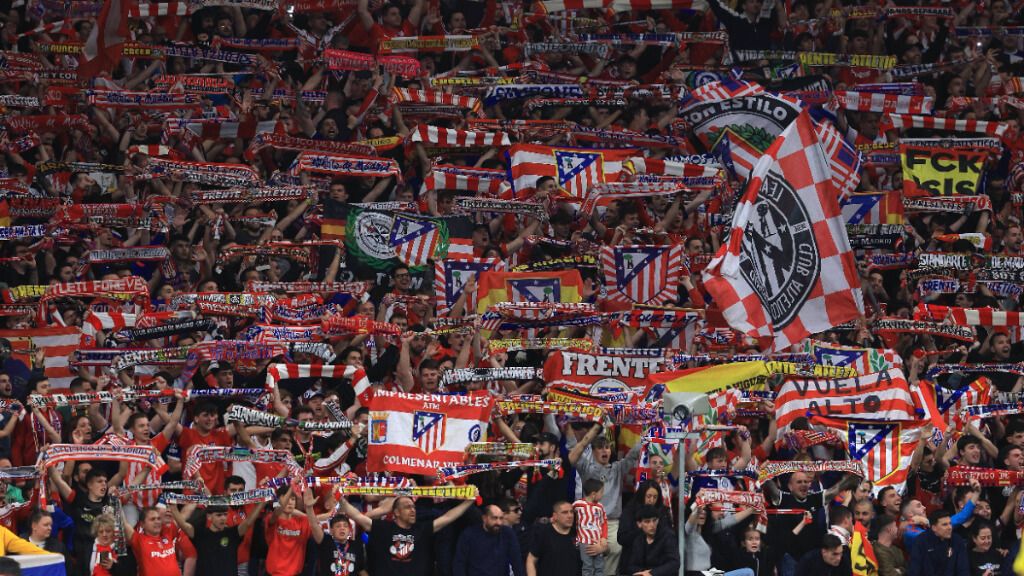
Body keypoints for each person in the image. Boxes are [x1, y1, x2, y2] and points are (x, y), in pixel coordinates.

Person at [337, 491, 473, 576]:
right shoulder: (382, 528)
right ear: (396, 512)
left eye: (413, 507)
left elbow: (448, 517)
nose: (413, 510)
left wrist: (469, 501)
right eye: (407, 507)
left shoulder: (422, 529)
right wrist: (340, 498)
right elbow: (357, 516)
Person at [569, 424, 642, 576]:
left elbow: (634, 454)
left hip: (612, 523)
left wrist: (648, 433)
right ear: (594, 452)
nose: (605, 450)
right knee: (589, 565)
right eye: (601, 448)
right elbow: (573, 452)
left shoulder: (617, 468)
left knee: (614, 549)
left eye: (607, 447)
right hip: (589, 524)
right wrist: (568, 426)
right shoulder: (586, 469)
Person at [169, 500, 265, 576]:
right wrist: (173, 508)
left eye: (225, 514)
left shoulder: (233, 534)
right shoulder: (200, 534)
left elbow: (248, 522)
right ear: (209, 517)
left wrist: (262, 502)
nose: (223, 518)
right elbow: (184, 525)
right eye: (219, 515)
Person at [453, 504, 524, 576]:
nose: (498, 522)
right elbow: (459, 563)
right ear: (484, 518)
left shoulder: (507, 533)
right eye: (494, 518)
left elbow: (517, 562)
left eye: (501, 518)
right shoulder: (469, 535)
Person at [907, 510, 970, 576]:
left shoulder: (957, 540)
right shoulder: (920, 542)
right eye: (945, 524)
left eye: (950, 523)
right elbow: (914, 571)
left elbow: (963, 569)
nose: (950, 527)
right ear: (934, 528)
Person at [624, 505, 681, 576]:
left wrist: (652, 573)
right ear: (639, 524)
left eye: (654, 520)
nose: (652, 525)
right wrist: (644, 573)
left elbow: (674, 563)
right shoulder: (638, 540)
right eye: (647, 522)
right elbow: (631, 566)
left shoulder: (668, 536)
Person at [527, 501, 579, 576]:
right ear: (555, 516)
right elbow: (531, 560)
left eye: (571, 512)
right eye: (565, 512)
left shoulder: (578, 534)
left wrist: (601, 547)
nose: (570, 515)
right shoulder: (544, 533)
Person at [573, 478, 607, 576]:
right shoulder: (578, 504)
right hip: (584, 541)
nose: (602, 495)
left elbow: (604, 522)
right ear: (593, 494)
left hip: (598, 542)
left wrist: (604, 537)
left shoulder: (600, 507)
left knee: (599, 567)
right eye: (601, 492)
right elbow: (569, 511)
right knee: (587, 567)